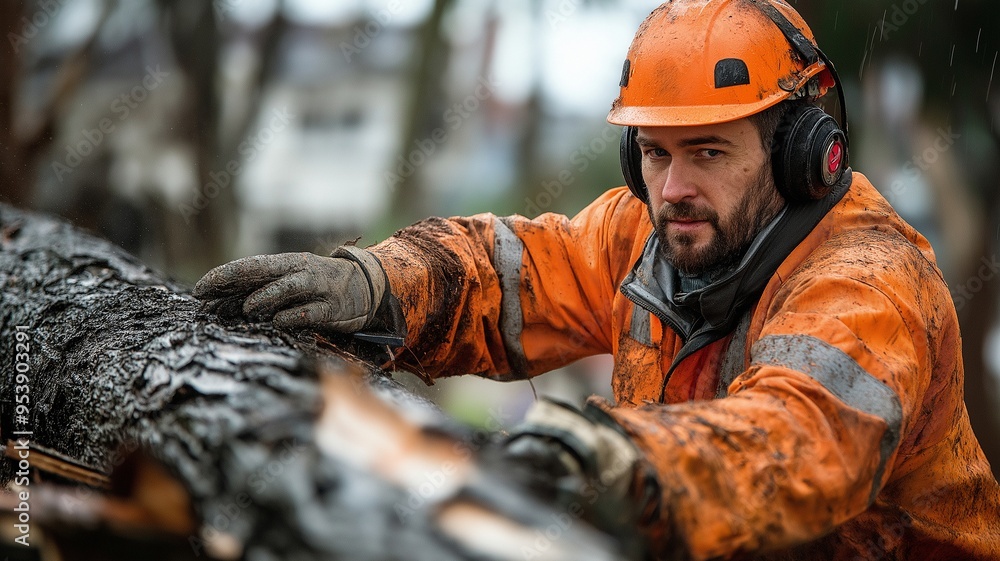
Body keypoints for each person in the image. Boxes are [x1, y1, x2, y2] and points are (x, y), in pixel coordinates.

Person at [193, 1, 1000, 558]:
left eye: (709, 152)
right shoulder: (656, 231)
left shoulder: (868, 283)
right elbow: (512, 273)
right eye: (654, 153)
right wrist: (379, 286)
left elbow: (797, 443)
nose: (673, 187)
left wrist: (621, 457)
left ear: (805, 154)